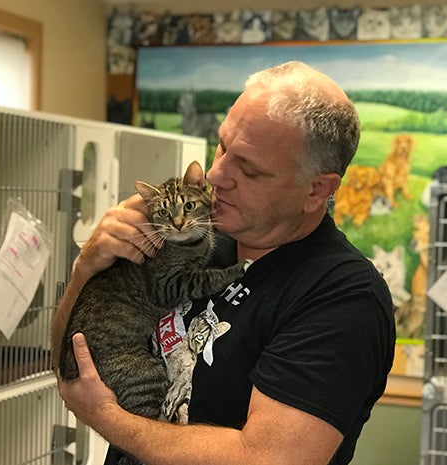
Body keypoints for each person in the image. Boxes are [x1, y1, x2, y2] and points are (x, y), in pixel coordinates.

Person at [51, 61, 395, 465]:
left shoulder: (344, 297)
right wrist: (86, 268)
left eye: (247, 168)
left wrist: (103, 415)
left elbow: (267, 460)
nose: (216, 174)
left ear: (317, 190)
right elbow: (69, 356)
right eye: (222, 146)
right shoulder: (192, 238)